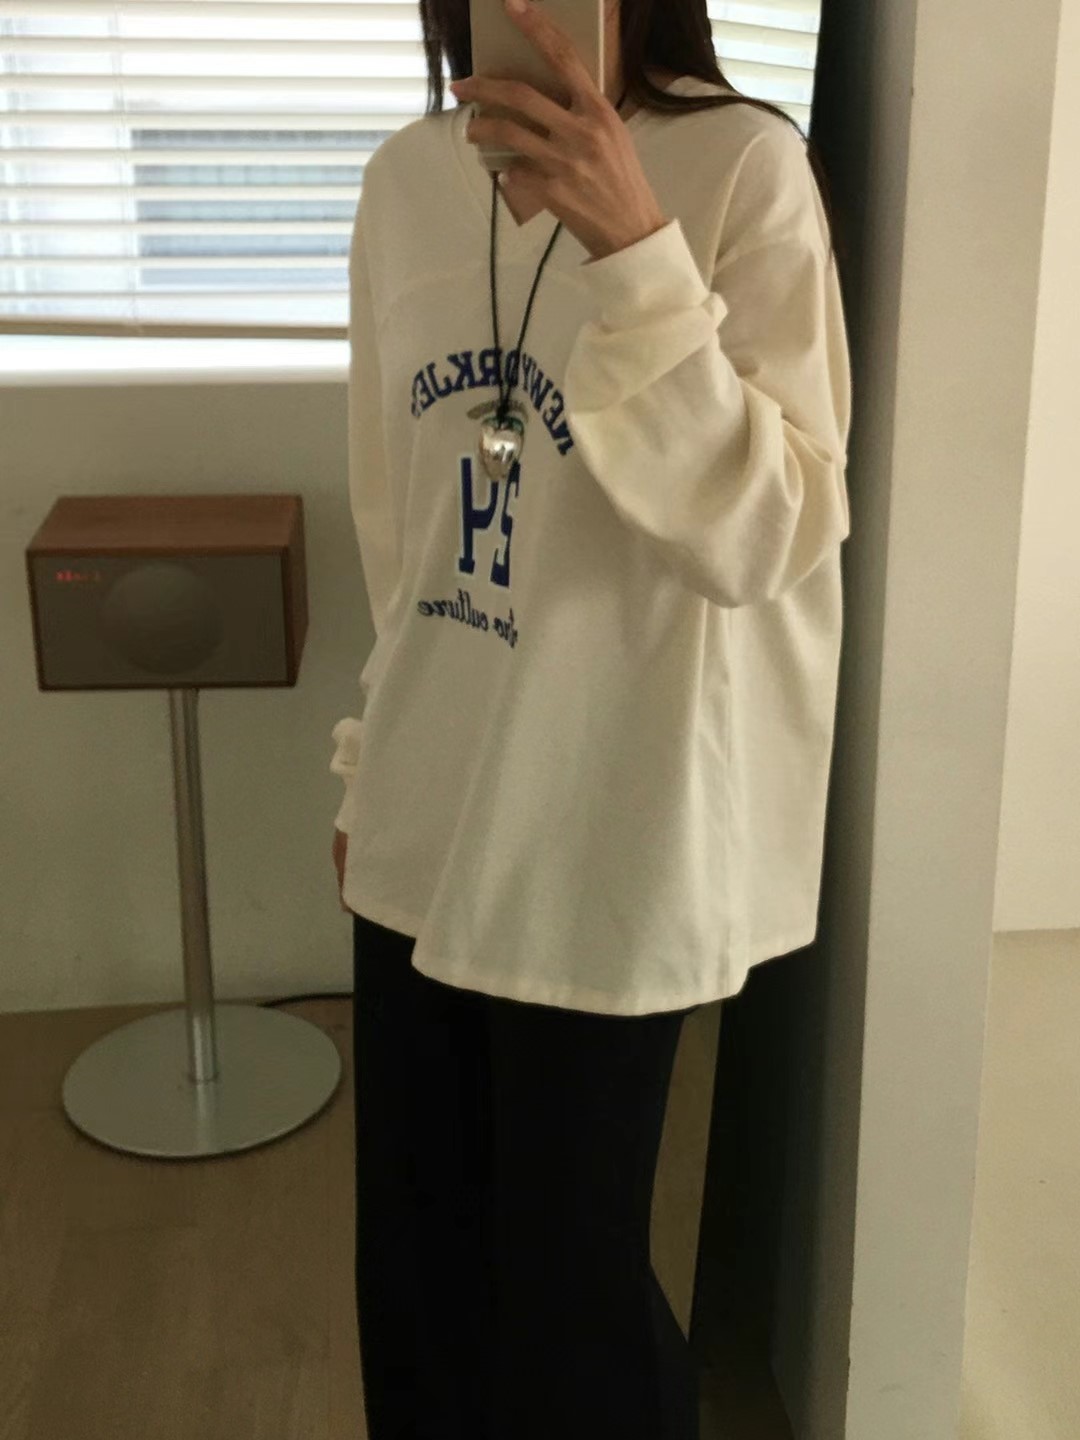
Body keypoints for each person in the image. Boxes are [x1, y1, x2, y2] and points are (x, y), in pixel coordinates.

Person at [329, 1, 853, 1436]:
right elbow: (395, 527)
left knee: (577, 1302)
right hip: (426, 816)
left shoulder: (743, 167)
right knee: (418, 1289)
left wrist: (638, 252)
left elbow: (771, 534)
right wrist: (364, 767)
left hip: (617, 823)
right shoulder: (403, 183)